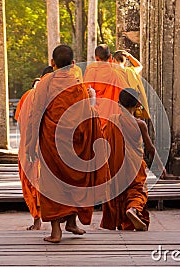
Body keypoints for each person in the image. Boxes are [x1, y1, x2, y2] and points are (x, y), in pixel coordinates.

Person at [25, 45, 110, 243]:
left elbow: (35, 114)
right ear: (73, 64)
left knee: (52, 183)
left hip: (52, 141)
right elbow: (88, 113)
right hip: (76, 143)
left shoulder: (46, 83)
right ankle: (72, 221)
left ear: (52, 63)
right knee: (74, 181)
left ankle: (58, 231)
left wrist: (30, 145)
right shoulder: (79, 84)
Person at [100, 88, 156, 231]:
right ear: (138, 104)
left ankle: (122, 217)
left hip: (116, 165)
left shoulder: (112, 121)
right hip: (135, 165)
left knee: (119, 191)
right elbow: (150, 148)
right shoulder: (140, 124)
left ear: (119, 104)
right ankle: (133, 209)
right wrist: (161, 167)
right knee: (138, 190)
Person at [15, 66, 54, 230]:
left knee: (31, 182)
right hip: (49, 148)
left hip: (29, 147)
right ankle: (57, 224)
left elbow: (19, 122)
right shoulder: (57, 97)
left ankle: (37, 219)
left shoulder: (28, 96)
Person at [84, 44, 129, 127]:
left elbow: (86, 94)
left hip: (95, 116)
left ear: (96, 58)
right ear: (110, 57)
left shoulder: (91, 70)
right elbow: (125, 94)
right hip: (112, 118)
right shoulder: (115, 73)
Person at [113, 50, 150, 119]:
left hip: (118, 105)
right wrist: (129, 56)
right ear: (125, 62)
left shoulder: (112, 72)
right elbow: (139, 66)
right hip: (132, 105)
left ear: (114, 60)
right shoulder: (132, 71)